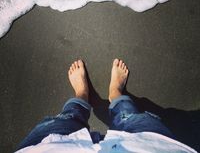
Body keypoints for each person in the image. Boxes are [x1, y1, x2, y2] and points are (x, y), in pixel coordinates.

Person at [15, 59, 197, 152]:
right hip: (146, 147)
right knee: (130, 118)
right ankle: (115, 93)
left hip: (50, 149)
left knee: (67, 120)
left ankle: (82, 95)